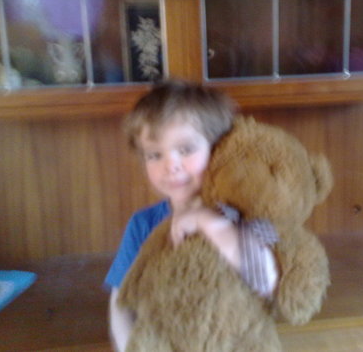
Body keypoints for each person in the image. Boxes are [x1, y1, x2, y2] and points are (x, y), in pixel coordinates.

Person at [105, 80, 279, 351]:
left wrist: (207, 222)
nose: (170, 165)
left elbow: (265, 280)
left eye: (186, 149)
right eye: (154, 155)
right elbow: (121, 303)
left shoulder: (240, 216)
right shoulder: (143, 224)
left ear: (219, 148)